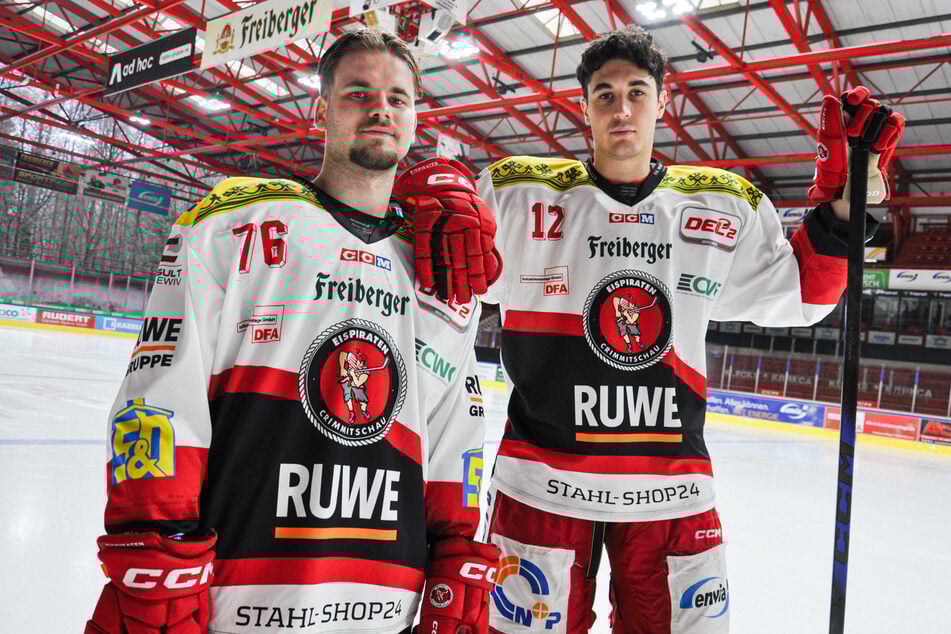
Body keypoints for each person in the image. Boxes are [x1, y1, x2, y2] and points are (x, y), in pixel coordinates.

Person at [472, 25, 904, 634]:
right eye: (604, 94)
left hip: (670, 493)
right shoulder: (516, 192)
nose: (621, 108)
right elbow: (444, 278)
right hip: (542, 485)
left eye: (637, 92)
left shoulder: (722, 204)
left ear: (663, 101)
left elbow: (804, 295)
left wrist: (844, 208)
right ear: (583, 106)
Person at [85, 28, 501, 634]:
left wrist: (457, 552)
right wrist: (157, 545)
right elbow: (160, 397)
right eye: (358, 93)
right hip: (238, 597)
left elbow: (454, 431)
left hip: (384, 602)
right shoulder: (234, 221)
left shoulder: (440, 262)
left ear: (415, 119)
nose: (381, 108)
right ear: (320, 110)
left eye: (398, 98)